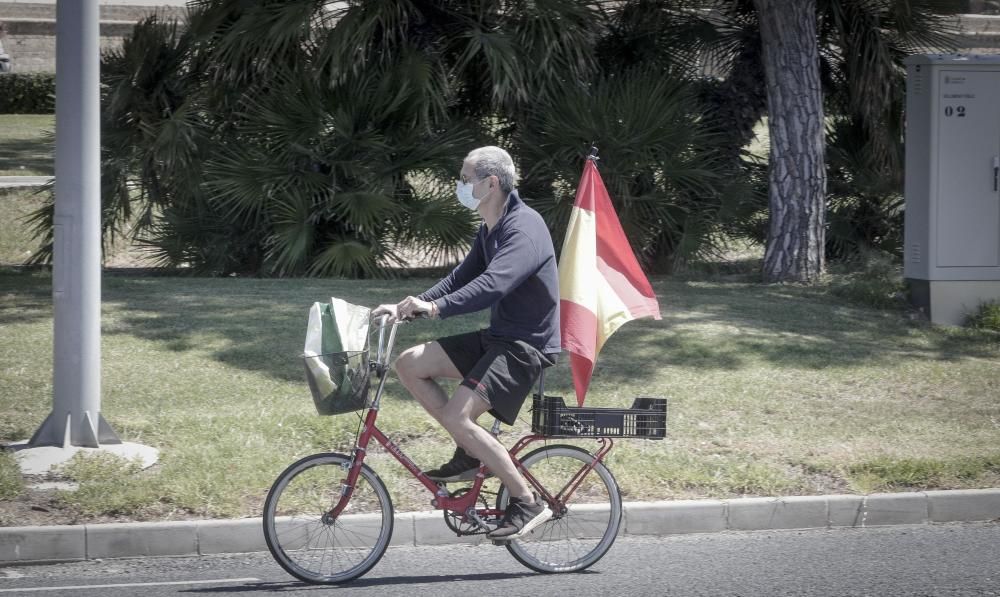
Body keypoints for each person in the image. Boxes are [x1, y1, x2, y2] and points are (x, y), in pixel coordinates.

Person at [372, 145, 560, 541]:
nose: (459, 185)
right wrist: (408, 306)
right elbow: (461, 277)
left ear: (491, 183)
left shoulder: (525, 227)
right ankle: (471, 453)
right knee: (410, 363)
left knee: (458, 414)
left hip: (525, 346)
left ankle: (526, 501)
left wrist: (436, 308)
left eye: (465, 178)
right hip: (499, 337)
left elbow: (493, 285)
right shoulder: (490, 227)